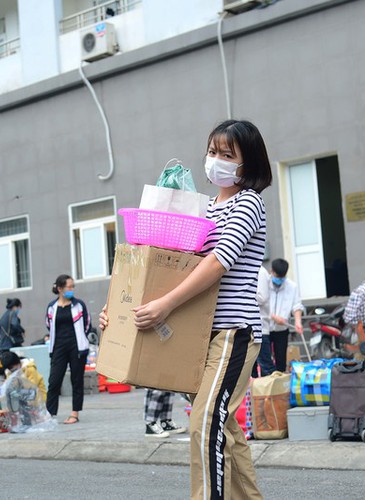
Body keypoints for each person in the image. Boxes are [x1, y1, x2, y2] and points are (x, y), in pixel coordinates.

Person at [100, 119, 271, 499]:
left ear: (249, 163)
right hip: (196, 336)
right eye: (213, 152)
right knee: (222, 429)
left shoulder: (249, 203)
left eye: (228, 155)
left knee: (206, 423)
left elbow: (217, 262)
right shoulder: (205, 208)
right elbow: (164, 266)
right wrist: (119, 311)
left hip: (232, 333)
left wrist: (163, 305)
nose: (216, 161)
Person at [45, 274, 91, 425]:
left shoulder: (78, 305)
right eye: (69, 287)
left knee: (76, 380)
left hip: (76, 347)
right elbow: (48, 325)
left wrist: (80, 339)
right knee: (54, 381)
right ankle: (50, 413)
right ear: (60, 289)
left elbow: (87, 324)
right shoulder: (52, 307)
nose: (72, 289)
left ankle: (74, 413)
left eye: (73, 286)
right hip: (58, 347)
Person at [267, 258, 305, 373]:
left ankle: (279, 385)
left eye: (281, 277)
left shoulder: (292, 286)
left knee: (281, 361)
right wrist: (273, 316)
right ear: (271, 271)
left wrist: (298, 322)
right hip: (265, 329)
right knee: (265, 361)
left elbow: (297, 306)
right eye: (277, 276)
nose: (279, 280)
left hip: (282, 329)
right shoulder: (263, 283)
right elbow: (259, 304)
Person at [252, 263, 275, 377]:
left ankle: (275, 393)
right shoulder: (253, 269)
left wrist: (244, 293)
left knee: (266, 366)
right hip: (251, 327)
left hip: (260, 327)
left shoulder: (260, 272)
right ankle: (255, 394)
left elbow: (262, 297)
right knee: (251, 368)